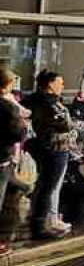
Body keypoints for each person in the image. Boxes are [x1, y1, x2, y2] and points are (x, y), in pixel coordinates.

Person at [27, 70, 75, 239]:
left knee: (44, 185)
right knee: (50, 186)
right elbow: (66, 124)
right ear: (50, 84)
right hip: (55, 147)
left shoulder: (32, 99)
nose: (62, 85)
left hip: (43, 146)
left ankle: (41, 221)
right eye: (59, 82)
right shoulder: (49, 102)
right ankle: (41, 225)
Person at [1, 68, 29, 253]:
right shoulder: (7, 106)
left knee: (21, 187)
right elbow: (17, 132)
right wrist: (24, 126)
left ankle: (6, 234)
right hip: (3, 159)